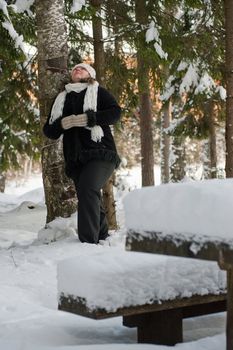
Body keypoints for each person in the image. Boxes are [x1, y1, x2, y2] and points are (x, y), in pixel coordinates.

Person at [43, 63, 121, 244]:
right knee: (89, 194)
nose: (78, 69)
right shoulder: (62, 99)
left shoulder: (98, 91)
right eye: (75, 68)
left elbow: (115, 113)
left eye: (83, 68)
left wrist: (88, 119)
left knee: (88, 189)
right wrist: (62, 124)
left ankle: (87, 242)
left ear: (90, 74)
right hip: (75, 158)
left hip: (101, 152)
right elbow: (49, 131)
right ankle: (102, 237)